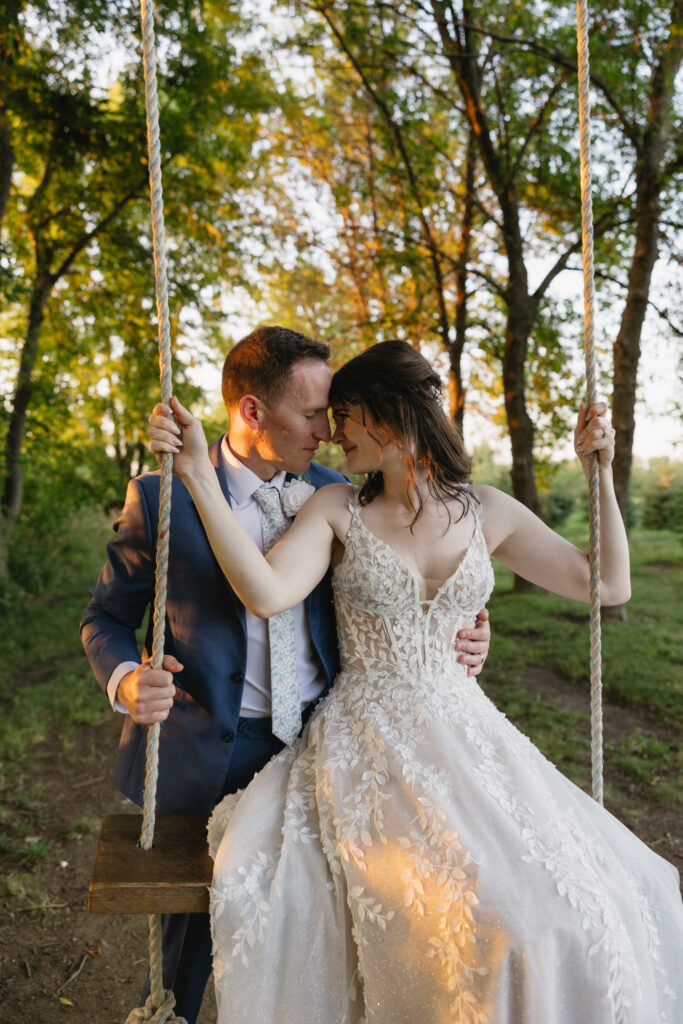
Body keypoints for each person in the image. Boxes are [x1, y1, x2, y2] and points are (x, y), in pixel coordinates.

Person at [149, 339, 682, 1024]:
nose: (331, 433)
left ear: (387, 415)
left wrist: (597, 470)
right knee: (456, 916)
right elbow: (265, 591)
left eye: (343, 415)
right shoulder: (338, 506)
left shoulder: (486, 509)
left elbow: (605, 583)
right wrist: (196, 472)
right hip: (368, 740)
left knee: (574, 903)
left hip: (468, 732)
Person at [80, 326, 491, 1023]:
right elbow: (104, 619)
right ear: (251, 412)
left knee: (332, 924)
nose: (328, 432)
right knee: (193, 932)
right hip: (207, 744)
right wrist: (125, 678)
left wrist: (470, 627)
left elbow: (409, 575)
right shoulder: (160, 498)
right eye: (310, 415)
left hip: (323, 745)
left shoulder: (342, 495)